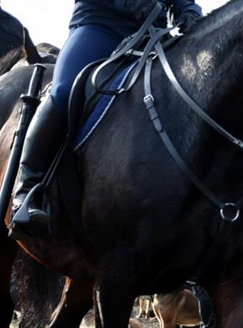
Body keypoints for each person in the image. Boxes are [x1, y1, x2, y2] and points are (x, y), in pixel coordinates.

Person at [8, 0, 203, 238]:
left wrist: (190, 12)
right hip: (100, 27)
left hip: (155, 35)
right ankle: (27, 189)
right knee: (64, 91)